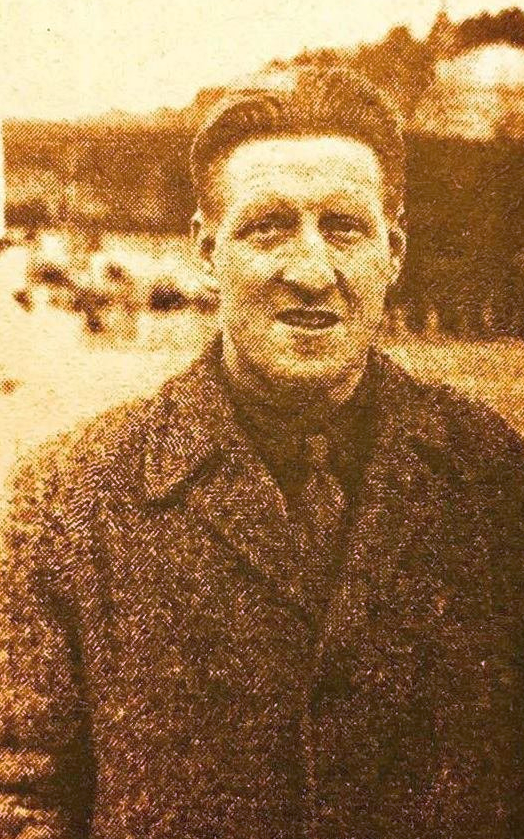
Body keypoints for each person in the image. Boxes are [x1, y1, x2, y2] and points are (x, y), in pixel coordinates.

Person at [1, 66, 524, 839]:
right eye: (268, 227)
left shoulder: (495, 479)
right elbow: (23, 799)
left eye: (343, 228)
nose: (310, 272)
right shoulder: (65, 500)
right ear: (206, 250)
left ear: (393, 251)